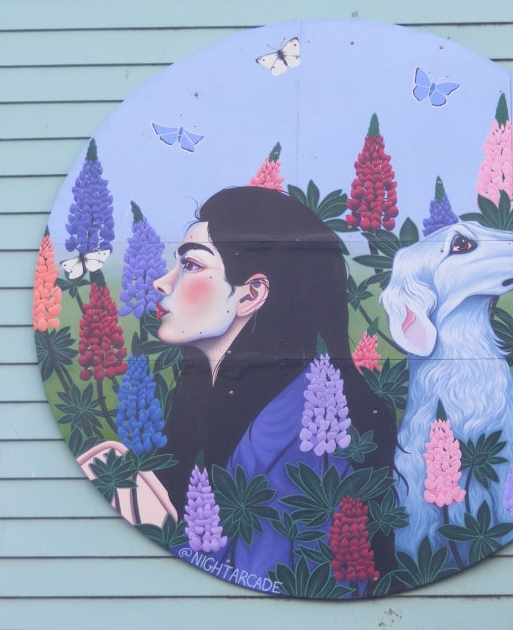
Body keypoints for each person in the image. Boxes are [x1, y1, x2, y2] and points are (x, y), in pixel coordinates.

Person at [152, 186, 397, 589]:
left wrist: (152, 517)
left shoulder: (309, 436)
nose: (163, 282)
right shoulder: (203, 402)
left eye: (191, 265)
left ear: (251, 294)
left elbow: (269, 578)